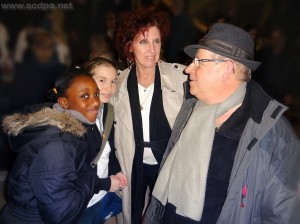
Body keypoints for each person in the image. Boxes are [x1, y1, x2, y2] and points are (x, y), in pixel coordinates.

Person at [144, 23, 300, 224]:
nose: (189, 68)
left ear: (226, 69)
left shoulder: (272, 135)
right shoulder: (191, 108)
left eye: (200, 61)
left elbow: (285, 215)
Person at [0, 69, 121, 223]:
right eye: (85, 96)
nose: (96, 101)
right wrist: (91, 177)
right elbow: (61, 214)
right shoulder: (58, 145)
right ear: (63, 102)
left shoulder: (71, 128)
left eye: (96, 94)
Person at [112, 8, 187, 224]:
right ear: (130, 46)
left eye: (156, 41)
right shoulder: (117, 83)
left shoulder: (179, 77)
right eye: (143, 42)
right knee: (132, 213)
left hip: (167, 160)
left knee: (166, 214)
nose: (152, 49)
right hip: (131, 161)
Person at [77, 57, 128, 224]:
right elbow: (73, 173)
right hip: (79, 201)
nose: (109, 88)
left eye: (113, 81)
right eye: (102, 80)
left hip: (98, 196)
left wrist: (117, 171)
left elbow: (107, 150)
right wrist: (106, 184)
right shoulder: (75, 118)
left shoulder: (107, 110)